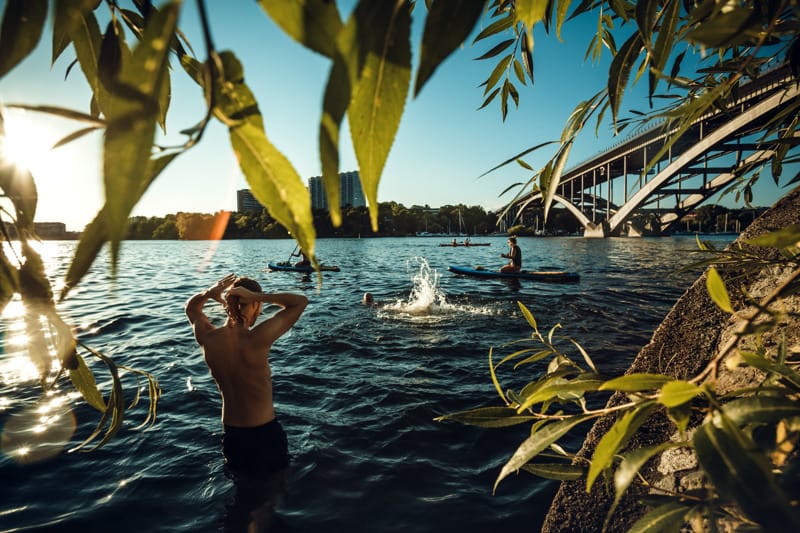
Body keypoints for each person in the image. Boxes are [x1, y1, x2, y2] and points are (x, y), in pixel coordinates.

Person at [185, 274, 308, 528]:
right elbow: (299, 302)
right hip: (265, 437)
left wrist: (208, 293)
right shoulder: (257, 339)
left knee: (241, 499)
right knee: (269, 502)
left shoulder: (208, 339)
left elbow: (192, 309)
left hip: (233, 437)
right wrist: (258, 296)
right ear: (256, 306)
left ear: (225, 305)